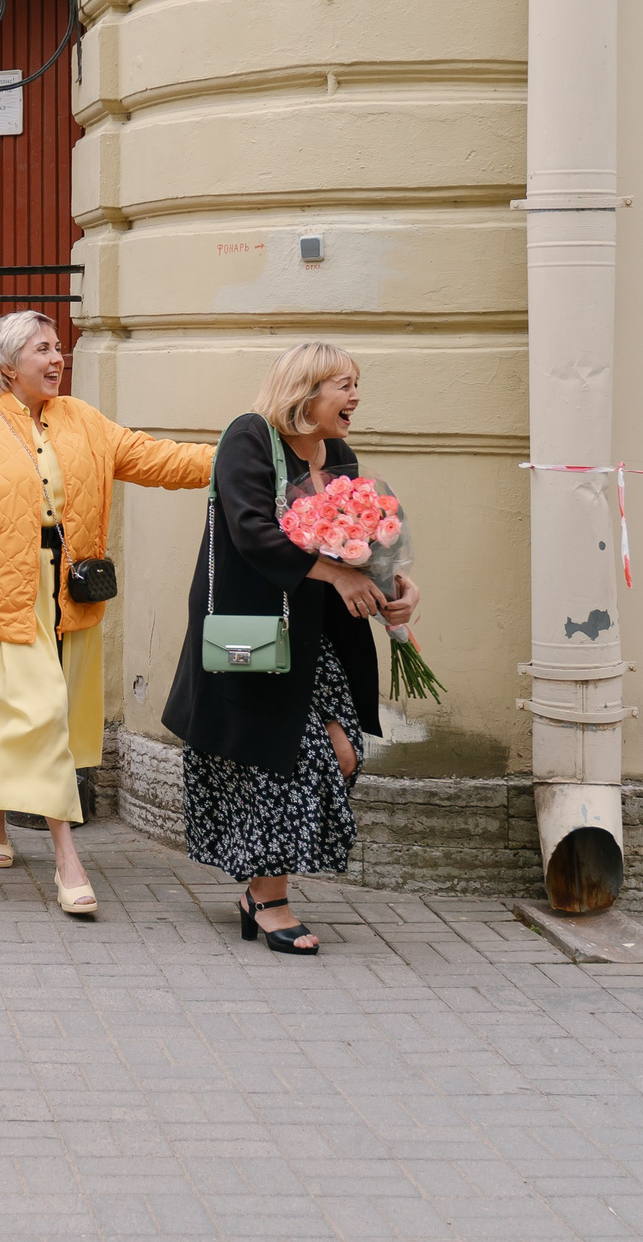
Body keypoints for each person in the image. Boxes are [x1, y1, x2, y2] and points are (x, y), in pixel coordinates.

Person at [0, 309, 214, 915]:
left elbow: (153, 458)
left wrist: (234, 461)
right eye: (43, 349)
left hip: (70, 593)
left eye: (58, 348)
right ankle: (66, 858)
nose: (58, 359)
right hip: (8, 592)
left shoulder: (81, 418)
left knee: (42, 716)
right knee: (42, 714)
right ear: (6, 364)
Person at [160, 343, 421, 955]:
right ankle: (270, 898)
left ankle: (260, 890)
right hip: (257, 631)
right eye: (343, 385)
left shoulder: (343, 455)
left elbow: (358, 543)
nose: (355, 396)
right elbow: (251, 529)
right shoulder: (250, 438)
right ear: (305, 391)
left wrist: (393, 589)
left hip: (322, 636)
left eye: (357, 383)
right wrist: (338, 576)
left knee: (343, 754)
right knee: (289, 757)